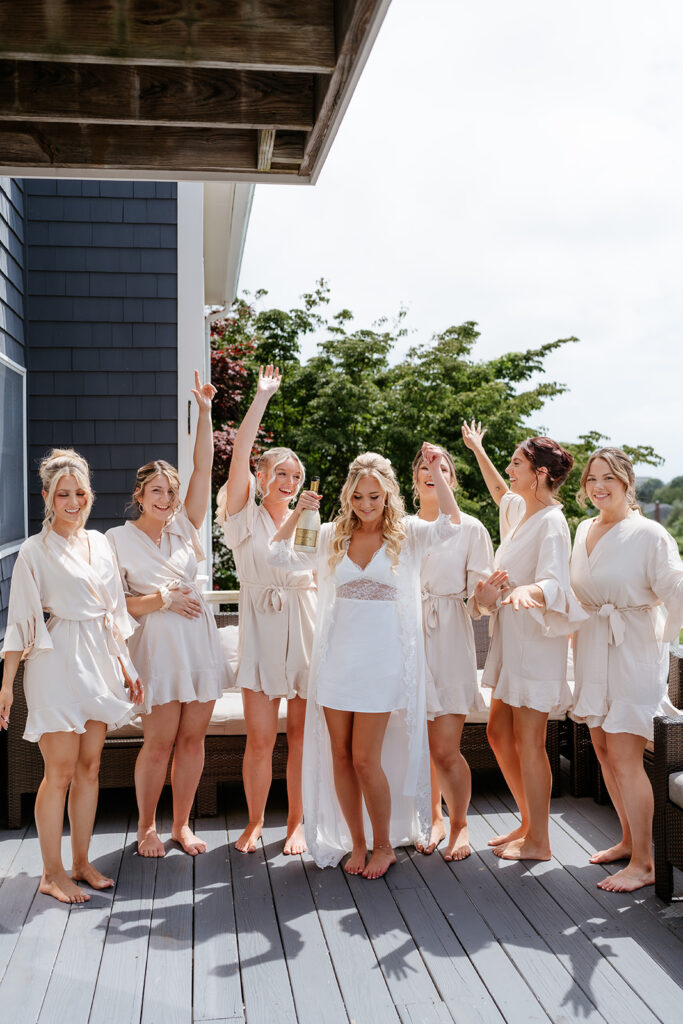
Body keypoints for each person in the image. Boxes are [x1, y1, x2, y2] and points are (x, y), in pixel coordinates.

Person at [270, 445, 460, 878]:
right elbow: (276, 556)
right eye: (358, 497)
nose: (366, 505)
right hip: (337, 660)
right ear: (348, 497)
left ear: (388, 495)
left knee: (363, 759)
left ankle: (382, 846)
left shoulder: (408, 534)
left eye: (375, 496)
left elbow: (452, 524)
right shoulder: (329, 533)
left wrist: (435, 471)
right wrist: (299, 512)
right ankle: (356, 843)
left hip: (381, 663)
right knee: (339, 755)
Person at [0, 449, 143, 903]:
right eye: (63, 493)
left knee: (90, 767)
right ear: (47, 496)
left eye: (80, 492)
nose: (74, 501)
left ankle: (81, 862)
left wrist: (127, 664)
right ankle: (51, 872)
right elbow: (21, 620)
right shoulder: (34, 550)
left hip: (99, 661)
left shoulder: (100, 543)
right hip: (56, 661)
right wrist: (6, 684)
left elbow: (115, 611)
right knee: (58, 771)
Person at [107, 372, 228, 858]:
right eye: (156, 491)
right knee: (158, 742)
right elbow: (117, 608)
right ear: (140, 496)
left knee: (193, 739)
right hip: (156, 650)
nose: (165, 499)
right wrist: (161, 599)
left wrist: (204, 411)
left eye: (170, 493)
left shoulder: (185, 528)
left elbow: (203, 469)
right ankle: (147, 828)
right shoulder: (116, 541)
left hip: (198, 644)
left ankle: (182, 825)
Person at [463, 421, 586, 861]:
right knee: (498, 733)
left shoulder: (553, 523)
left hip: (536, 641)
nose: (509, 469)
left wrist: (523, 591)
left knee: (530, 742)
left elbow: (555, 582)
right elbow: (500, 492)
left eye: (517, 463)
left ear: (538, 473)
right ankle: (528, 820)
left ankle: (540, 841)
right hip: (509, 639)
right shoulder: (519, 512)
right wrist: (477, 449)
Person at [570, 448, 683, 892]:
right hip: (595, 647)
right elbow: (577, 593)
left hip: (634, 648)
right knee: (600, 745)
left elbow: (675, 588)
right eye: (591, 479)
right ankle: (627, 839)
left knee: (624, 754)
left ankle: (645, 861)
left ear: (627, 482)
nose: (598, 486)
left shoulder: (649, 534)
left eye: (608, 478)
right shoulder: (584, 529)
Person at [216, 365, 316, 855]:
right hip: (260, 625)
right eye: (281, 472)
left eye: (296, 476)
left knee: (299, 737)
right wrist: (262, 399)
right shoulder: (242, 516)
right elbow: (237, 451)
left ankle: (296, 823)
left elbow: (317, 564)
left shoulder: (309, 517)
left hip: (304, 624)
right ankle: (255, 821)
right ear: (261, 476)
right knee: (260, 739)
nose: (290, 481)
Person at [410, 445, 494, 860]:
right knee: (418, 744)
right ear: (414, 479)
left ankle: (460, 822)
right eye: (426, 466)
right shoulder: (399, 526)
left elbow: (480, 599)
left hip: (449, 639)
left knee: (445, 747)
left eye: (442, 467)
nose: (433, 472)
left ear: (452, 479)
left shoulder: (471, 528)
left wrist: (486, 594)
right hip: (404, 638)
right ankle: (433, 817)